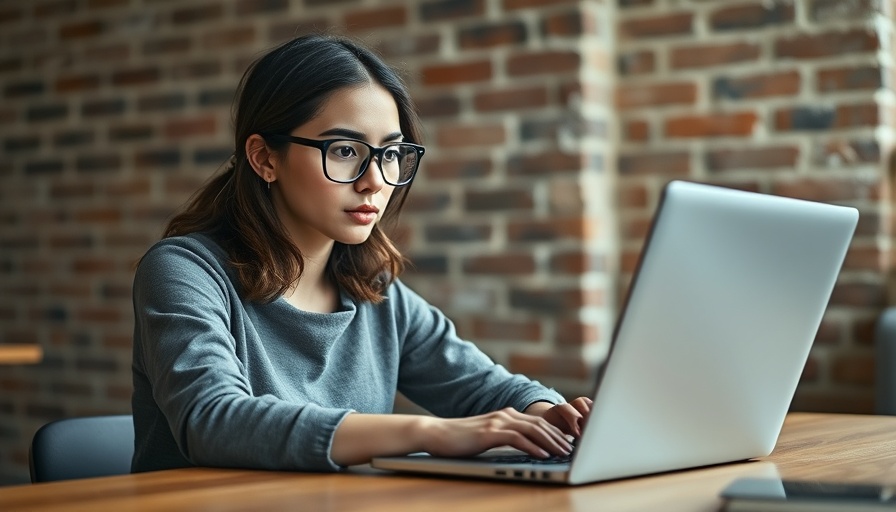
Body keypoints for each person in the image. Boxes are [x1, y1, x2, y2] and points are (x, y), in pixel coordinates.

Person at [131, 33, 592, 473]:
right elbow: (214, 421)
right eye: (346, 150)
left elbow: (482, 387)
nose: (375, 180)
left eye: (390, 154)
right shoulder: (184, 271)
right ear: (265, 158)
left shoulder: (375, 291)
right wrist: (428, 432)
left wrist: (550, 415)